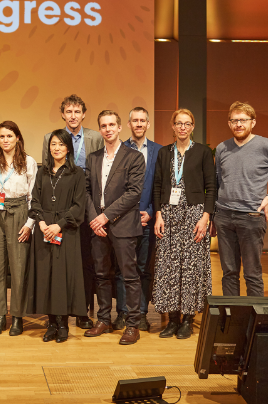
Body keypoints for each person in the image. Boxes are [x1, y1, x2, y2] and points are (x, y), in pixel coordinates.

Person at [214, 101, 268, 297]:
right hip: (224, 217)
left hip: (251, 217)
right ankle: (233, 323)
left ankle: (254, 324)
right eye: (234, 120)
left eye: (243, 120)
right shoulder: (221, 148)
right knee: (229, 274)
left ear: (253, 122)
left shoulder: (266, 146)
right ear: (229, 123)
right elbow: (218, 181)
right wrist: (214, 214)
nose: (238, 124)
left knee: (252, 274)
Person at [153, 109, 215, 339]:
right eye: (178, 123)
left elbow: (212, 187)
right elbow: (158, 185)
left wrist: (206, 217)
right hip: (169, 216)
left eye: (186, 124)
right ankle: (172, 320)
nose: (182, 127)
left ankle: (188, 319)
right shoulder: (164, 153)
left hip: (194, 215)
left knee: (191, 268)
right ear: (172, 126)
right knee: (169, 267)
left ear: (192, 127)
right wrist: (158, 214)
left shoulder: (202, 152)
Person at [84, 110, 145, 345]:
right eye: (103, 125)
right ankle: (103, 319)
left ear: (120, 128)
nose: (108, 129)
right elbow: (87, 191)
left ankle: (132, 325)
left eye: (112, 125)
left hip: (123, 224)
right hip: (97, 225)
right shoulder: (93, 157)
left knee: (129, 276)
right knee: (101, 275)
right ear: (99, 129)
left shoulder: (133, 157)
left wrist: (106, 217)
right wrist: (94, 218)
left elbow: (133, 193)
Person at [42, 94, 103, 329]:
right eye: (69, 112)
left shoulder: (94, 137)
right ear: (63, 114)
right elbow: (47, 172)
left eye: (77, 112)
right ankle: (60, 311)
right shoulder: (51, 137)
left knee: (85, 261)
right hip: (60, 204)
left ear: (84, 114)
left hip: (86, 203)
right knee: (60, 260)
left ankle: (83, 312)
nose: (73, 116)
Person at [27, 129, 87, 343]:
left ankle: (63, 325)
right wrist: (42, 224)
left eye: (61, 144)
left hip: (66, 231)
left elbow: (79, 206)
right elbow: (34, 201)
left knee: (62, 278)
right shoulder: (43, 172)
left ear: (68, 148)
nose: (57, 148)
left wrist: (58, 225)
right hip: (43, 232)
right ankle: (51, 323)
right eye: (53, 144)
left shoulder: (77, 173)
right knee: (46, 277)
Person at [0, 121, 36, 336]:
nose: (5, 140)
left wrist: (29, 223)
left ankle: (18, 317)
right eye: (2, 136)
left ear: (18, 138)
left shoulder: (28, 162)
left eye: (9, 136)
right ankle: (0, 315)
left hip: (19, 212)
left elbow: (33, 196)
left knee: (19, 267)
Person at [113, 107, 162, 332]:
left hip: (147, 218)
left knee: (143, 269)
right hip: (123, 219)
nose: (139, 124)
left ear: (148, 124)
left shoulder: (158, 151)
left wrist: (151, 211)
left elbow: (159, 187)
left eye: (143, 120)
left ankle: (141, 313)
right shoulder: (119, 149)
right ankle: (123, 313)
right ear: (129, 124)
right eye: (135, 121)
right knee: (123, 268)